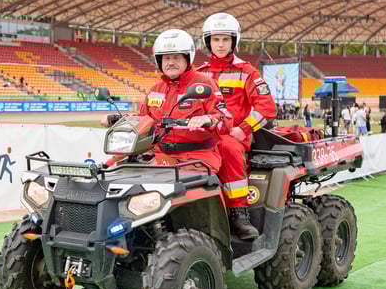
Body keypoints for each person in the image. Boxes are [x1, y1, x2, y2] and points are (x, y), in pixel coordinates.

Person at [101, 29, 230, 174]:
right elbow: (144, 120)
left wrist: (208, 119)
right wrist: (116, 119)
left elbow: (226, 122)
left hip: (197, 158)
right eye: (166, 58)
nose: (170, 63)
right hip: (162, 155)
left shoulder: (204, 84)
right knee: (118, 175)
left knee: (174, 189)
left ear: (187, 59)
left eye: (176, 58)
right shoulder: (156, 89)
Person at [196, 13, 276, 240]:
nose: (220, 45)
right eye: (215, 39)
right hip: (203, 132)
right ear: (208, 42)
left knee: (228, 149)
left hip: (232, 134)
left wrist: (244, 129)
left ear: (233, 41)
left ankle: (239, 214)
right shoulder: (199, 73)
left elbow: (267, 108)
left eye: (225, 39)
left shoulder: (246, 72)